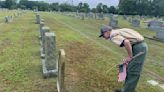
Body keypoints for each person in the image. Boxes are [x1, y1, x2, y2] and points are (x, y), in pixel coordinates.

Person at [99, 26, 148, 92]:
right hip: (138, 45)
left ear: (107, 32)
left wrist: (130, 56)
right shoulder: (119, 30)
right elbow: (131, 38)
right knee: (129, 68)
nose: (104, 37)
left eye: (103, 35)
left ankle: (128, 90)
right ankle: (127, 89)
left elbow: (127, 42)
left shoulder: (113, 35)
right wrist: (129, 56)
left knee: (133, 71)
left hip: (139, 48)